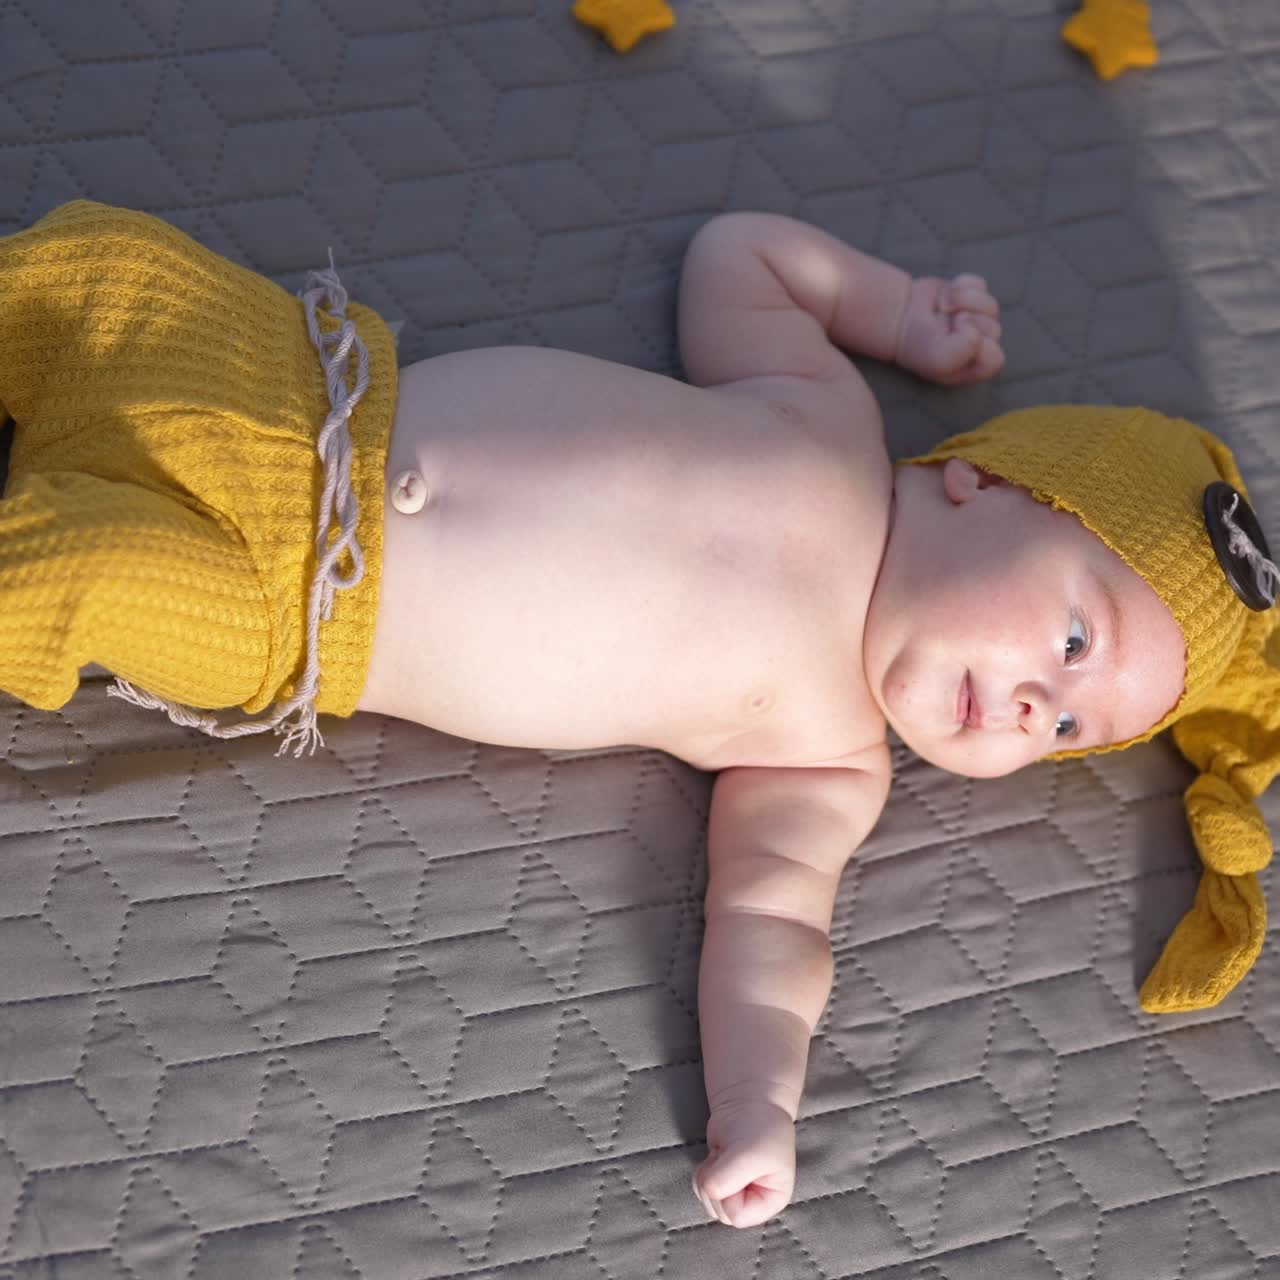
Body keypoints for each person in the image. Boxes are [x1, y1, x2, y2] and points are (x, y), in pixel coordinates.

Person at [1, 201, 1277, 1229]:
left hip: (295, 612)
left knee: (61, 583)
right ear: (983, 483)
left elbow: (772, 926)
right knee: (86, 273)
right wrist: (897, 308)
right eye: (1070, 641)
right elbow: (743, 254)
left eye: (1062, 733)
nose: (1031, 707)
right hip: (305, 385)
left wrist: (759, 1101)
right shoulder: (824, 415)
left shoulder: (825, 756)